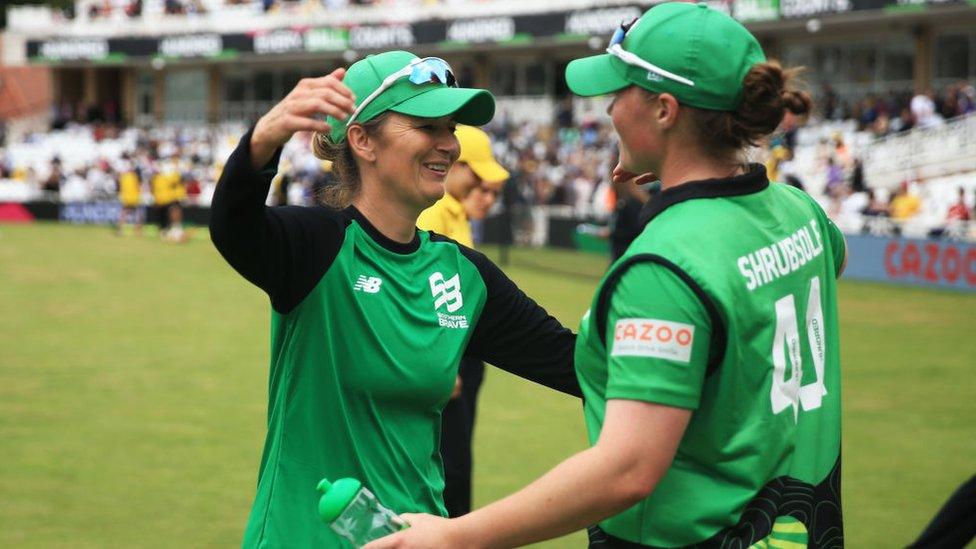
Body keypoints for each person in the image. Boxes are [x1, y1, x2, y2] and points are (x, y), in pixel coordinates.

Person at [366, 4, 847, 548]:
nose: (609, 108)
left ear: (664, 110)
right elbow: (821, 259)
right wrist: (678, 169)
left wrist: (457, 536)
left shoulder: (665, 265)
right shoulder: (797, 210)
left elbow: (628, 470)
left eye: (619, 92)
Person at [208, 50, 581, 549]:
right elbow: (235, 228)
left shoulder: (464, 274)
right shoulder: (317, 247)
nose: (448, 144)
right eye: (428, 126)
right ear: (362, 140)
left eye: (450, 128)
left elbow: (576, 364)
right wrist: (263, 141)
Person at [415, 124, 510, 519]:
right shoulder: (436, 212)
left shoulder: (455, 211)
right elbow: (428, 293)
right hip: (449, 360)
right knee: (450, 467)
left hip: (462, 356)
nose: (482, 183)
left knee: (456, 463)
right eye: (477, 172)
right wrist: (446, 363)